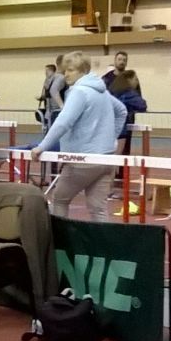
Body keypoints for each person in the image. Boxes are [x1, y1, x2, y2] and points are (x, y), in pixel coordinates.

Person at [30, 52, 125, 221]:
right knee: (98, 208)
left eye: (71, 70)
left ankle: (60, 237)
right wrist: (111, 138)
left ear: (83, 71)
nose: (65, 74)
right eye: (65, 70)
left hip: (83, 160)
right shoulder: (101, 91)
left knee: (59, 199)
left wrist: (42, 146)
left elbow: (63, 122)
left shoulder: (79, 92)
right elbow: (121, 111)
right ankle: (103, 240)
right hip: (106, 159)